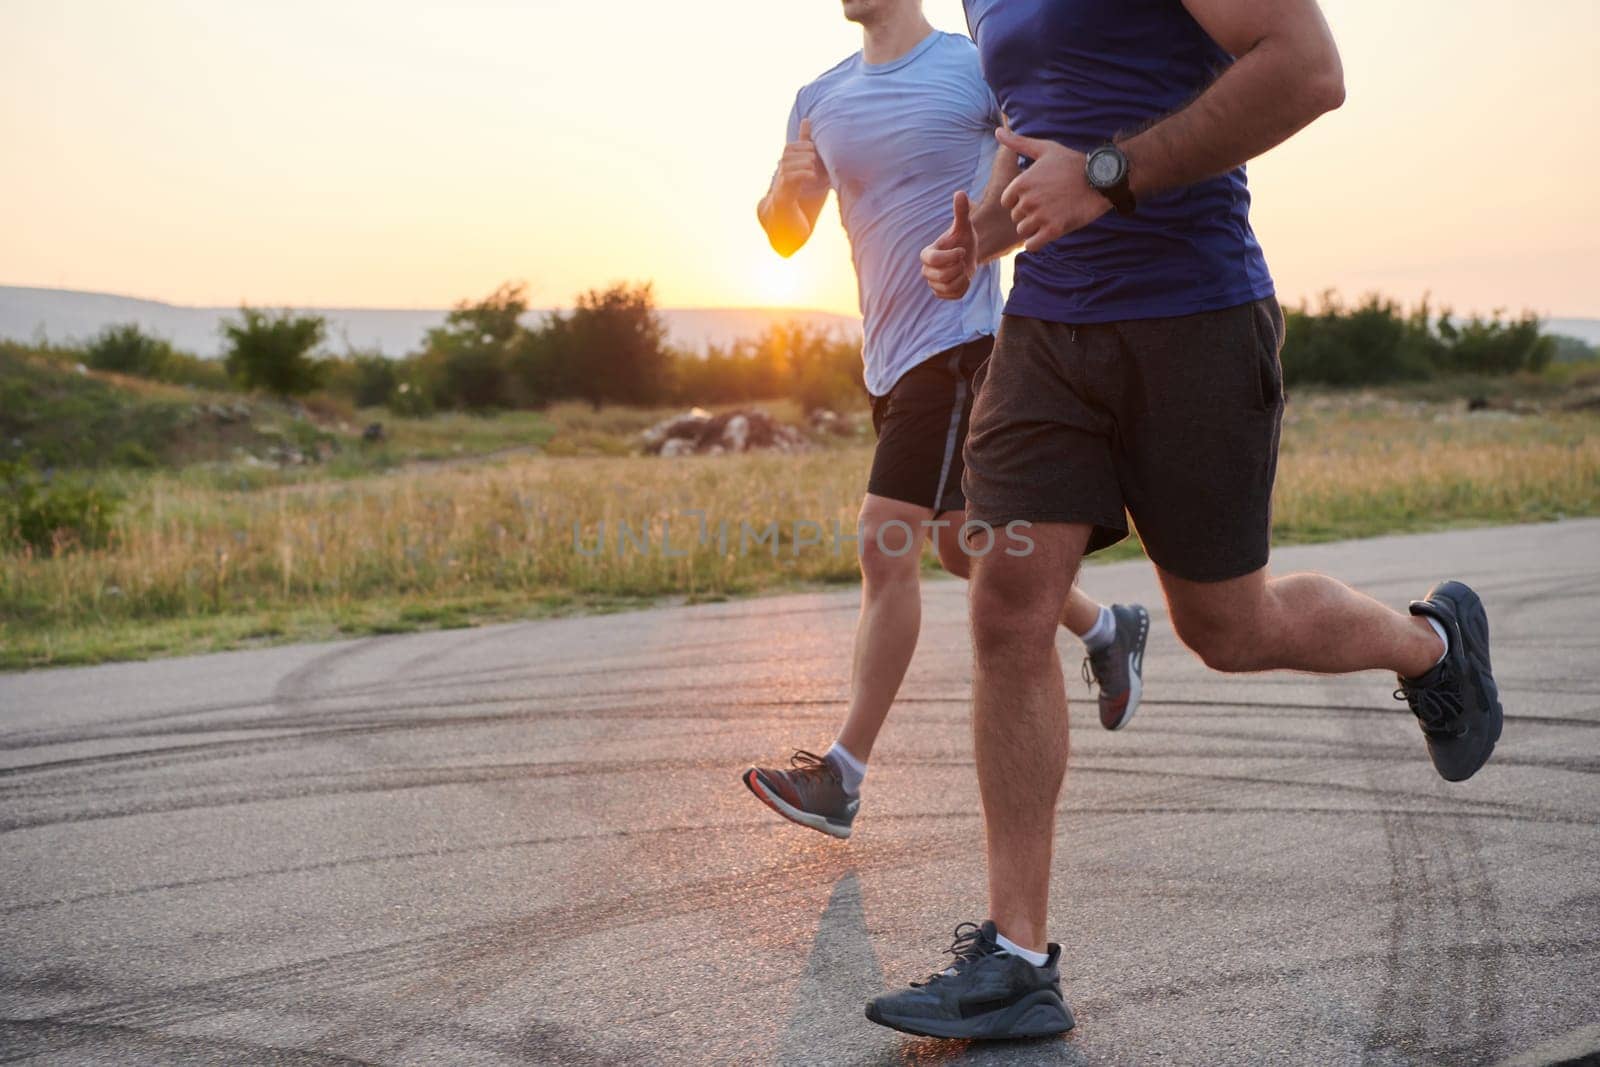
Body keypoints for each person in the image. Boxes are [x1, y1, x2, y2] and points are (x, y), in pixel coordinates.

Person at [865, 0, 1504, 1040]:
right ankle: (1017, 959)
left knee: (1228, 627)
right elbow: (1030, 135)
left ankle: (1432, 644)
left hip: (1196, 318)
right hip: (1048, 330)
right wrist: (976, 239)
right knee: (1008, 605)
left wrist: (1108, 175)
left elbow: (1306, 68)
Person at [741, 0, 1150, 842]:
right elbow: (786, 235)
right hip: (886, 359)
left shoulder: (973, 67)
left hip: (960, 339)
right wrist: (782, 191)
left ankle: (842, 775)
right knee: (964, 545)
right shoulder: (819, 97)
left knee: (882, 538)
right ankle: (1108, 626)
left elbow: (1040, 164)